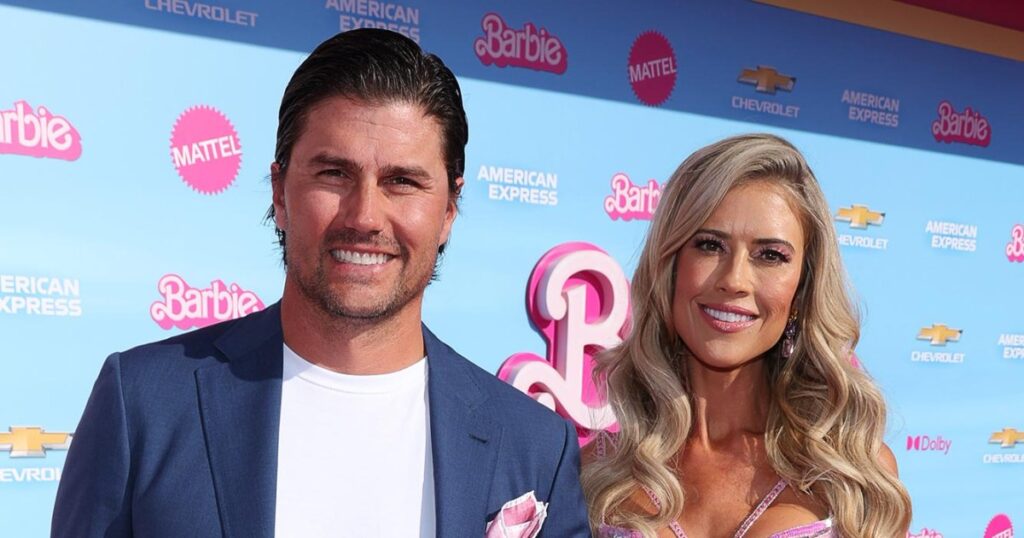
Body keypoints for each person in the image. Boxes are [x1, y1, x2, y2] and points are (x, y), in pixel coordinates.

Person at [52, 29, 589, 538]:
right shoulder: (143, 404)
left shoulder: (536, 447)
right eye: (334, 174)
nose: (365, 216)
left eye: (402, 181)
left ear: (449, 209)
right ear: (280, 192)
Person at [581, 134, 911, 537]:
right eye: (710, 245)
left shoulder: (854, 473)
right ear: (670, 267)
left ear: (802, 288)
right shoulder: (596, 470)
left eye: (770, 255)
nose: (734, 280)